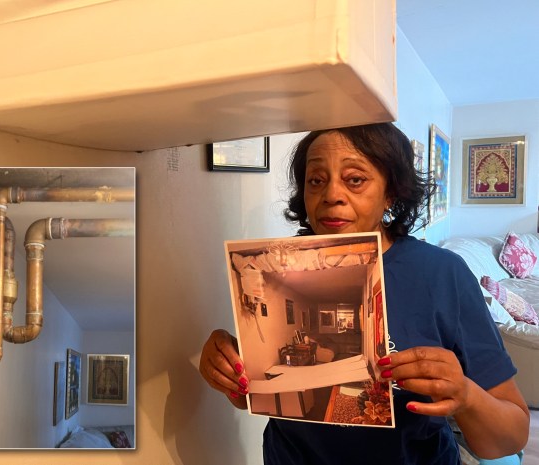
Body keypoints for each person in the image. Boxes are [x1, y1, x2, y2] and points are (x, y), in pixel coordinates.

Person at [199, 123, 530, 465]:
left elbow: (510, 437)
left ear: (391, 193)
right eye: (316, 180)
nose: (331, 194)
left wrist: (466, 395)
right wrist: (230, 373)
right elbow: (257, 395)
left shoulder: (442, 273)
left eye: (354, 179)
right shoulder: (274, 264)